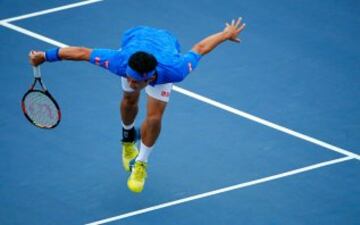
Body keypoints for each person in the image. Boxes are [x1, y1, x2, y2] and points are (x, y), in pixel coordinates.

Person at [29, 17, 246, 193]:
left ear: (150, 78)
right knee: (129, 98)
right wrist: (44, 56)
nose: (131, 82)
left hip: (166, 44)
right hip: (135, 38)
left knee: (154, 117)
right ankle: (127, 139)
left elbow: (200, 48)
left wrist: (226, 34)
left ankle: (141, 163)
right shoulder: (120, 63)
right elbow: (82, 52)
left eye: (136, 81)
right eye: (129, 78)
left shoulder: (174, 69)